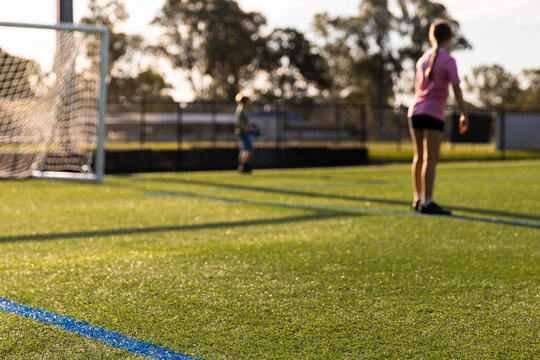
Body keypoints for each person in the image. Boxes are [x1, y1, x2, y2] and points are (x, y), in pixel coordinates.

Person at [408, 20, 469, 215]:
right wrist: (464, 113)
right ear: (449, 38)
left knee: (419, 157)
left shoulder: (422, 59)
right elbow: (456, 88)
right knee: (430, 158)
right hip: (432, 112)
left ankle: (418, 199)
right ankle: (427, 202)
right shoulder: (448, 60)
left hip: (415, 110)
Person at [234, 93, 257, 174]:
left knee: (244, 150)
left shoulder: (243, 110)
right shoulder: (240, 110)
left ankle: (242, 167)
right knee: (249, 149)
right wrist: (247, 129)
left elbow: (245, 122)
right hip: (242, 132)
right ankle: (244, 166)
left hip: (243, 132)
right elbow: (240, 123)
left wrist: (251, 126)